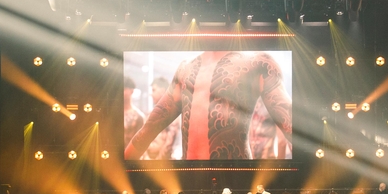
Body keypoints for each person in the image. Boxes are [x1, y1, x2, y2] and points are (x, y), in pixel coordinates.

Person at [124, 51, 292, 161]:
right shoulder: (185, 69)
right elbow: (150, 128)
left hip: (237, 180)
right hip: (189, 181)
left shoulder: (258, 64)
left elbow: (290, 124)